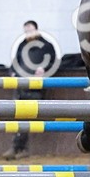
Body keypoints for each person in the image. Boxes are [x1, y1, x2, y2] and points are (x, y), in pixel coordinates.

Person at [4, 20, 59, 160]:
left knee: (27, 117)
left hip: (35, 87)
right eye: (26, 30)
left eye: (30, 30)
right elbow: (15, 63)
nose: (28, 33)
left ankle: (20, 148)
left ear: (36, 30)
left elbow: (54, 63)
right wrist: (12, 72)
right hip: (21, 86)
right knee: (19, 116)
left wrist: (44, 69)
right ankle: (18, 147)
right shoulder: (22, 46)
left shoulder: (47, 46)